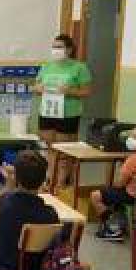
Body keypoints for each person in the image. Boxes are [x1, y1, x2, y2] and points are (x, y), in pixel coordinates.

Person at [34, 34, 93, 185]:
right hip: (47, 112)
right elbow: (36, 87)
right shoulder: (46, 66)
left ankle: (62, 181)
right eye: (54, 47)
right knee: (50, 147)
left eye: (59, 47)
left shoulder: (79, 67)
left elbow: (87, 91)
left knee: (65, 149)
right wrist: (38, 88)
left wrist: (70, 91)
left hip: (68, 114)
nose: (55, 50)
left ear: (69, 49)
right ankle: (50, 178)